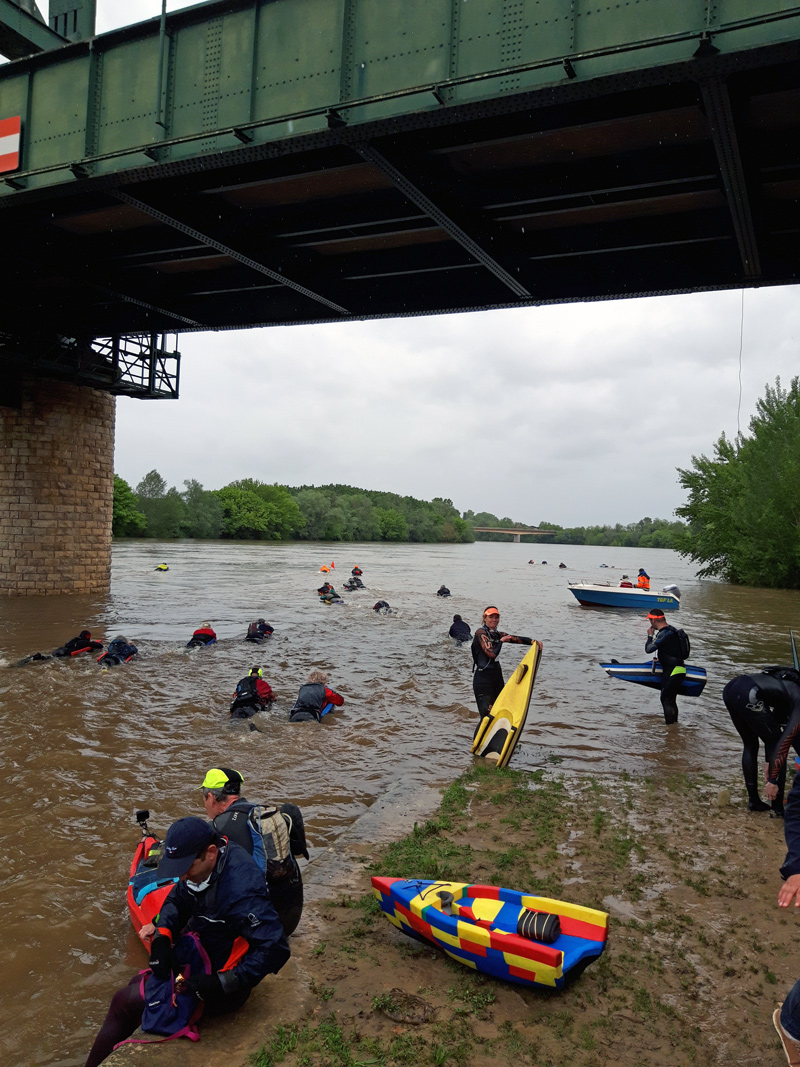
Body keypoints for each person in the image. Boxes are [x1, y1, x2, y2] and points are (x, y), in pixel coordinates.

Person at [83, 816, 289, 1067]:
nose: (180, 876)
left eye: (186, 867)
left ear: (211, 852)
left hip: (220, 983)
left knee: (123, 1002)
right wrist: (162, 936)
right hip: (203, 953)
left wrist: (221, 983)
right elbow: (177, 900)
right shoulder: (204, 867)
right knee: (135, 983)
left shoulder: (241, 890)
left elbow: (275, 947)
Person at [200, 767, 307, 936]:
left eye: (204, 799)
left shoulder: (216, 829)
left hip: (260, 927)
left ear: (211, 798)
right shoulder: (262, 813)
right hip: (290, 918)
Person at [723, 669, 800, 814]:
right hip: (749, 693)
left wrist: (769, 762)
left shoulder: (791, 683)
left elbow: (774, 724)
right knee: (778, 744)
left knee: (751, 743)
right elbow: (783, 742)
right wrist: (772, 780)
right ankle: (777, 808)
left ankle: (754, 802)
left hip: (732, 688)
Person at [470, 607, 533, 735]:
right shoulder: (481, 633)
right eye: (491, 617)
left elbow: (515, 638)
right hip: (483, 679)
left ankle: (497, 742)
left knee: (499, 711)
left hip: (497, 678)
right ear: (484, 618)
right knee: (486, 716)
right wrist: (501, 642)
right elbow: (491, 654)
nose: (494, 620)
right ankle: (476, 748)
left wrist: (533, 642)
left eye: (496, 617)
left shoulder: (496, 634)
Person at [644, 609, 686, 724]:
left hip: (672, 671)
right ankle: (674, 729)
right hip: (679, 669)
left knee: (666, 699)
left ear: (653, 620)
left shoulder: (664, 633)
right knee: (671, 700)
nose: (650, 623)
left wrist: (650, 636)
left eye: (650, 620)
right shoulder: (672, 630)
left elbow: (649, 649)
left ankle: (670, 728)